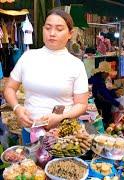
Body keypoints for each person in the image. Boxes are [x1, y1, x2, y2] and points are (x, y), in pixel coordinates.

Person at [4, 8, 89, 145]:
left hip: (62, 135)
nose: (52, 33)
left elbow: (81, 104)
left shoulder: (76, 65)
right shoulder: (28, 57)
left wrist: (61, 117)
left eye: (59, 29)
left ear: (70, 34)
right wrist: (17, 108)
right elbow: (9, 88)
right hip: (30, 131)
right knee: (32, 165)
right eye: (48, 28)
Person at [88, 62, 124, 128]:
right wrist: (118, 104)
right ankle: (106, 124)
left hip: (95, 99)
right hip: (95, 102)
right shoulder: (98, 81)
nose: (108, 75)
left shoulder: (97, 78)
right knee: (108, 106)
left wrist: (114, 93)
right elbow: (105, 95)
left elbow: (105, 91)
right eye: (107, 73)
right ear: (103, 72)